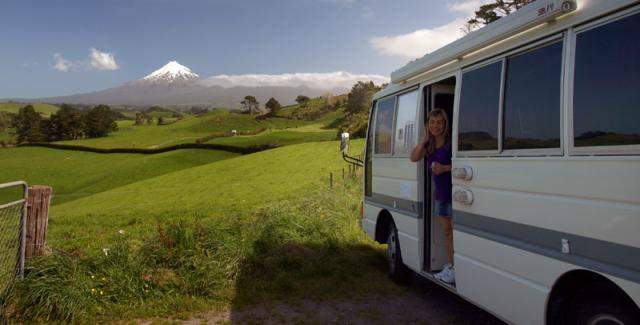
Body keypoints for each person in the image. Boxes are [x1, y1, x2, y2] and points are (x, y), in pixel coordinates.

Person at [410, 108, 454, 284]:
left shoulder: (451, 143)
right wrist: (423, 141)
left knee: (455, 234)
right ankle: (451, 266)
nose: (436, 126)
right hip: (441, 194)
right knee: (447, 232)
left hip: (454, 194)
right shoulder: (429, 145)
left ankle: (457, 268)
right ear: (428, 125)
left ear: (445, 124)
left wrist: (445, 168)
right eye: (432, 122)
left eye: (439, 122)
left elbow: (462, 164)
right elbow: (413, 158)